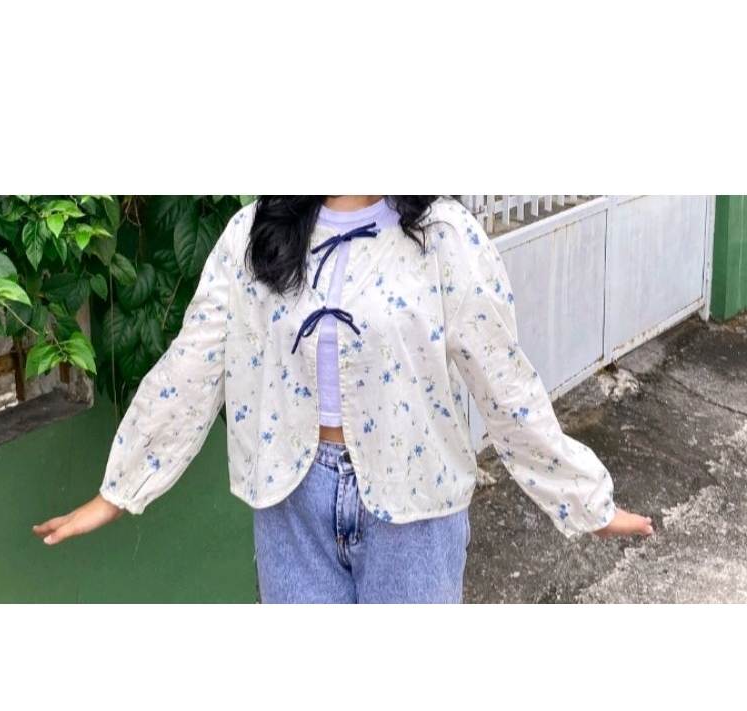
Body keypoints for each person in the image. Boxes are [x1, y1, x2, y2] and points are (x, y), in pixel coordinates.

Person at [34, 195, 653, 603]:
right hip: (291, 500)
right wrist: (121, 489)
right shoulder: (252, 234)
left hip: (415, 501)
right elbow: (192, 362)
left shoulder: (444, 236)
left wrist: (583, 499)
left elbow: (503, 377)